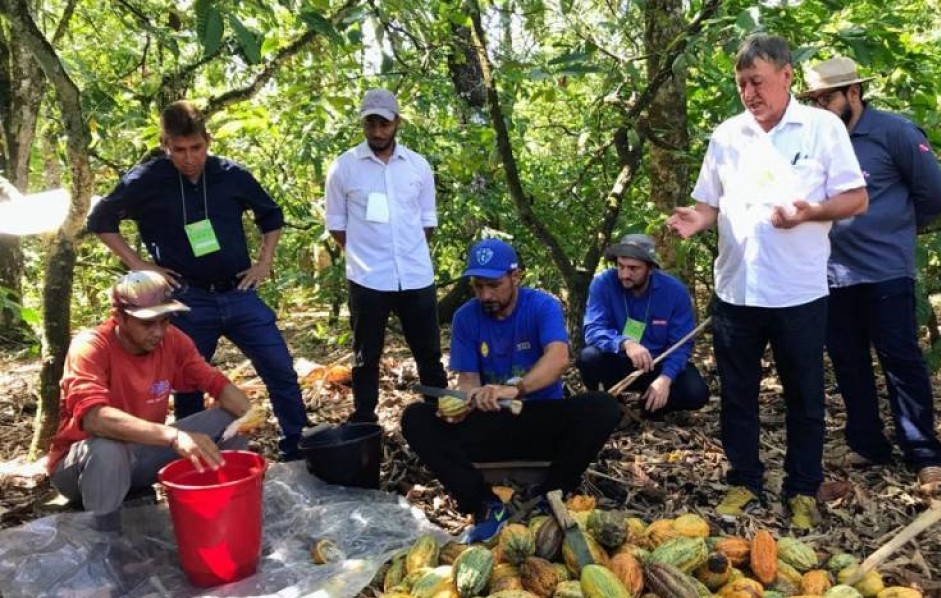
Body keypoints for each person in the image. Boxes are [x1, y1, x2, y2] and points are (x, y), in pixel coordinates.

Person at [665, 35, 868, 529]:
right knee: (737, 393)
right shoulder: (727, 135)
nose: (749, 93)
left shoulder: (821, 129)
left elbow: (856, 199)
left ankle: (801, 487)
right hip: (737, 290)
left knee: (804, 394)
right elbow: (710, 203)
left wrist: (812, 212)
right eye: (741, 85)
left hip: (798, 291)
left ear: (785, 76)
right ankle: (743, 482)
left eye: (756, 82)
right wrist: (698, 220)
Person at [86, 100, 306, 460]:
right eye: (179, 150)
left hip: (238, 291)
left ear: (208, 140)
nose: (189, 158)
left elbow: (271, 215)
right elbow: (101, 221)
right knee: (186, 383)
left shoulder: (230, 175)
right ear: (165, 145)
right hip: (185, 298)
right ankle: (193, 457)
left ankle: (297, 446)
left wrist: (264, 262)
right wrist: (140, 263)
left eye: (196, 148)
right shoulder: (148, 180)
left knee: (280, 368)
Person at [798, 56, 941, 492]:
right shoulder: (813, 141)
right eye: (813, 98)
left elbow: (934, 195)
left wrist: (897, 230)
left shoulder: (893, 132)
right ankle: (867, 443)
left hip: (885, 271)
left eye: (826, 97)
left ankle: (923, 453)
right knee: (848, 362)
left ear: (853, 94)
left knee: (900, 360)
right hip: (830, 273)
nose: (819, 105)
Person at [401, 238, 621, 542]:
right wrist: (465, 403)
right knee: (416, 417)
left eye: (494, 285)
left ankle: (550, 495)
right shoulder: (466, 317)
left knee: (603, 406)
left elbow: (558, 358)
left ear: (515, 277)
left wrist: (515, 389)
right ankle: (483, 503)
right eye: (478, 286)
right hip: (492, 425)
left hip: (539, 420)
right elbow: (468, 380)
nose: (485, 295)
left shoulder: (542, 306)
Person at [47, 271, 252, 531]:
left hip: (141, 452)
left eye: (164, 321)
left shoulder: (172, 340)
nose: (158, 332)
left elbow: (216, 383)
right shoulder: (92, 346)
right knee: (108, 449)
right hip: (81, 465)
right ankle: (105, 547)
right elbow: (94, 419)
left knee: (231, 419)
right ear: (119, 317)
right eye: (147, 324)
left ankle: (221, 516)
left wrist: (250, 414)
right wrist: (174, 437)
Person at [324, 88, 447, 424]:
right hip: (367, 277)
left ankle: (440, 415)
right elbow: (336, 224)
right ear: (363, 124)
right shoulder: (344, 168)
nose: (378, 132)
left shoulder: (417, 166)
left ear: (397, 123)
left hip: (415, 274)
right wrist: (366, 254)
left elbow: (426, 222)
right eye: (371, 124)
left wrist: (406, 250)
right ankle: (365, 420)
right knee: (366, 355)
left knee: (429, 355)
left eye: (384, 124)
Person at [579, 233, 710, 415]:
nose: (625, 274)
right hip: (619, 360)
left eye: (633, 268)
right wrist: (626, 343)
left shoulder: (674, 291)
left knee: (696, 393)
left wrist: (666, 378)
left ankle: (648, 407)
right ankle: (609, 405)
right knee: (588, 357)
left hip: (657, 364)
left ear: (650, 268)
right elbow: (593, 329)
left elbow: (681, 344)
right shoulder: (603, 283)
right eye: (621, 266)